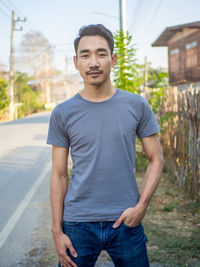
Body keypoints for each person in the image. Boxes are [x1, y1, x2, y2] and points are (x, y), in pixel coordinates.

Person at [47, 24, 164, 267]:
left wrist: (141, 207)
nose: (93, 62)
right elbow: (59, 175)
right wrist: (57, 232)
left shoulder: (136, 105)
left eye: (101, 54)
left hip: (126, 221)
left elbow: (156, 159)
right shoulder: (62, 113)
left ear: (113, 59)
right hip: (77, 224)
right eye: (85, 55)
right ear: (75, 62)